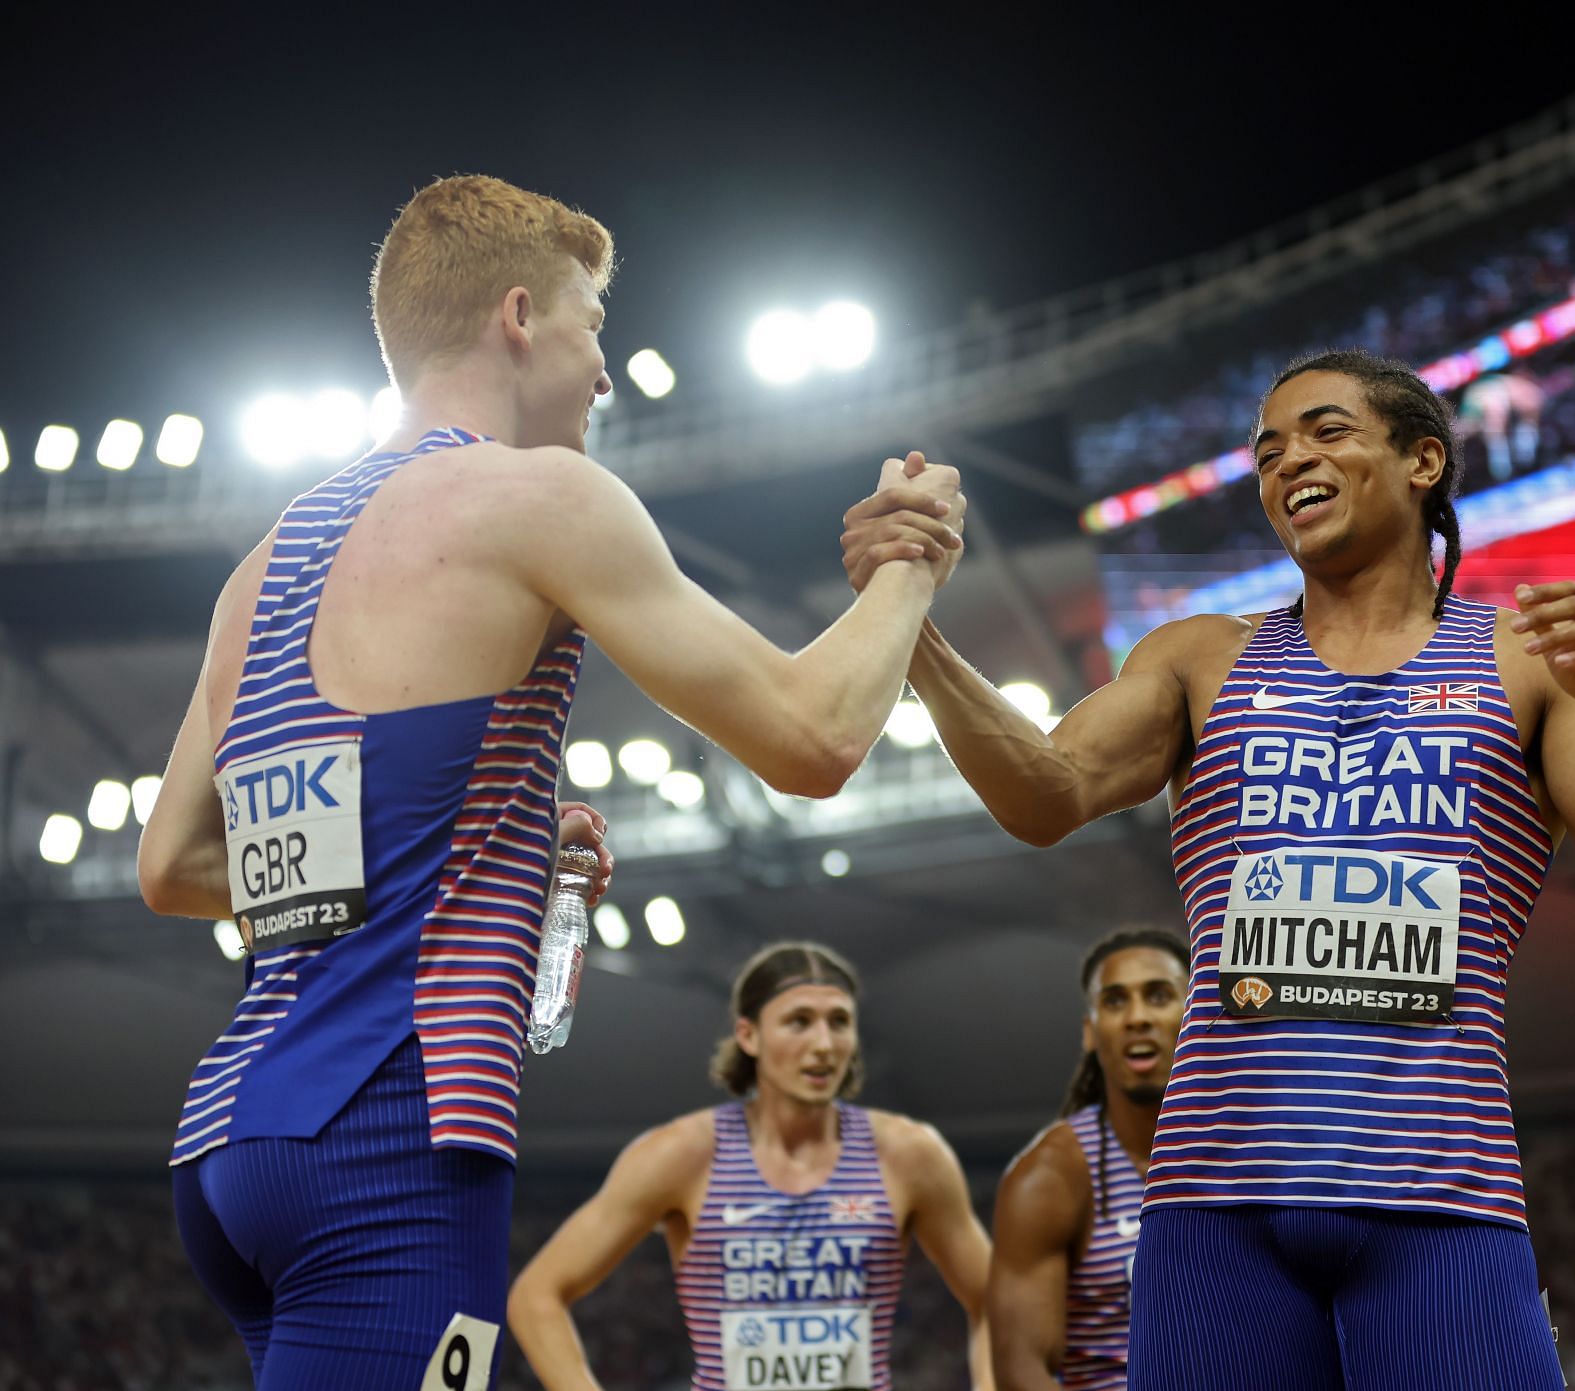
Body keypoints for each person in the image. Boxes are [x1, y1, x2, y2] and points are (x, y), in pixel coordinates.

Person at [136, 173, 968, 1391]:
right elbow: (815, 734)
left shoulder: (261, 564)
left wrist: (494, 838)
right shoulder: (537, 497)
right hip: (395, 1137)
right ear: (518, 316)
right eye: (595, 328)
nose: (608, 371)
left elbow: (174, 867)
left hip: (230, 1143)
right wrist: (912, 561)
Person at [841, 348, 1575, 1390]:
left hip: (1440, 1200)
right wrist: (914, 625)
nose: (1290, 458)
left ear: (1424, 458)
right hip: (1214, 1215)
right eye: (1268, 449)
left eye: (1328, 430)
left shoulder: (1524, 659)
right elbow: (1043, 791)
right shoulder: (1198, 656)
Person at [508, 941, 994, 1390]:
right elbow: (536, 1297)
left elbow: (998, 1302)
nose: (824, 1043)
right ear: (749, 1034)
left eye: (839, 1021)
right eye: (799, 1021)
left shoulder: (909, 1155)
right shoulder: (683, 1155)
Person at [987, 928, 1189, 1391]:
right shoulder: (1050, 1177)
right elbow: (1022, 1371)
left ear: (1195, 1013)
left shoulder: (1249, 1148)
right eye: (1116, 1001)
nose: (1137, 1018)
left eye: (1158, 996)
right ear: (1090, 1032)